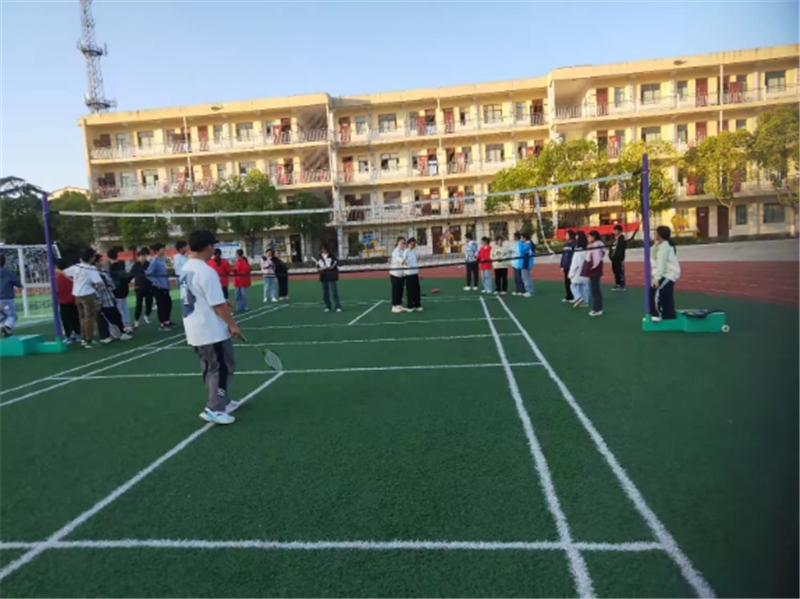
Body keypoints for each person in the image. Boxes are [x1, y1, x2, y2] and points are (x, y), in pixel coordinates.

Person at [179, 230, 244, 425]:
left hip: (195, 329)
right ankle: (214, 407)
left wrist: (222, 301)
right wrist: (232, 325)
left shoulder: (186, 268)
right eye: (213, 245)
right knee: (221, 368)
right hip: (210, 330)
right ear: (208, 246)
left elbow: (198, 295)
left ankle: (222, 401)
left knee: (210, 368)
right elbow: (217, 306)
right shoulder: (206, 271)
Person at [63, 248, 104, 349]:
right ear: (91, 257)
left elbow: (64, 272)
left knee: (82, 317)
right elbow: (100, 283)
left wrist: (75, 282)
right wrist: (92, 284)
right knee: (89, 317)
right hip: (87, 295)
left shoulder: (76, 267)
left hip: (77, 295)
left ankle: (83, 338)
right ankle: (88, 339)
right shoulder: (91, 269)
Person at [94, 255, 132, 343]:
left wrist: (110, 287)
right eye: (101, 260)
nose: (103, 262)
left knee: (116, 316)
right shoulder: (94, 274)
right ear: (96, 263)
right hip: (102, 300)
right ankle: (105, 336)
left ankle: (121, 332)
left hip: (109, 298)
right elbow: (96, 288)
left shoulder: (104, 272)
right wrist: (98, 300)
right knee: (103, 319)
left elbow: (111, 284)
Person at [650, 225, 681, 321]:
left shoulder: (664, 247)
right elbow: (653, 255)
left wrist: (656, 279)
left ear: (659, 235)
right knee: (667, 295)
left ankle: (656, 314)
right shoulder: (661, 245)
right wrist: (655, 244)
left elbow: (661, 264)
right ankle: (669, 315)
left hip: (669, 274)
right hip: (666, 273)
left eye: (655, 233)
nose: (654, 234)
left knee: (657, 290)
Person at [146, 243, 175, 331]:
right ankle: (162, 323)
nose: (163, 251)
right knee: (161, 305)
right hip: (158, 287)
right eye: (162, 249)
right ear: (157, 251)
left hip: (165, 285)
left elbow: (170, 271)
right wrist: (156, 282)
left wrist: (169, 282)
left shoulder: (165, 259)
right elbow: (148, 274)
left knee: (168, 304)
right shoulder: (154, 261)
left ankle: (167, 321)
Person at [107, 249, 133, 332]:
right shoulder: (122, 264)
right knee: (124, 308)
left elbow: (113, 280)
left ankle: (124, 325)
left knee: (120, 309)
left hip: (117, 290)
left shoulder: (111, 268)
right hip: (124, 288)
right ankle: (127, 324)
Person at [55, 258, 81, 343]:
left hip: (63, 302)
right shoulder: (70, 276)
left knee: (66, 320)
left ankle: (68, 336)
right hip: (73, 300)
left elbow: (56, 291)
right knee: (75, 318)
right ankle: (78, 334)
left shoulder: (57, 277)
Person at [0, 254, 23, 338]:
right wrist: (20, 286)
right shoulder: (8, 273)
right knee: (12, 316)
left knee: (2, 317)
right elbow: (18, 283)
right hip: (7, 299)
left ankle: (5, 330)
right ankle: (7, 327)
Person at [130, 248, 153, 326]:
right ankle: (136, 320)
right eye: (141, 256)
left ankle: (147, 315)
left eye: (144, 256)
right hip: (139, 287)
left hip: (148, 287)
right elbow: (131, 275)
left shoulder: (149, 264)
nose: (143, 257)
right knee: (139, 304)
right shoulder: (136, 266)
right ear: (138, 257)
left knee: (149, 302)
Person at [585, 230, 605, 317]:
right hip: (594, 269)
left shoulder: (596, 246)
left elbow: (596, 259)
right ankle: (597, 308)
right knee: (594, 289)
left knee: (595, 290)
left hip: (595, 269)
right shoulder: (592, 246)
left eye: (589, 236)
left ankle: (597, 309)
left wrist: (592, 268)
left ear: (594, 237)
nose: (588, 238)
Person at [568, 231, 590, 309]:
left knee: (573, 286)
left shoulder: (577, 252)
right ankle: (585, 301)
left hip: (578, 272)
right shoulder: (587, 251)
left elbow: (574, 265)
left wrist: (570, 274)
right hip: (586, 272)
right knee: (585, 287)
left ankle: (578, 297)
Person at [316, 244, 342, 312]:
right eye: (322, 249)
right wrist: (320, 269)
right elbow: (318, 266)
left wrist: (329, 267)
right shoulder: (319, 256)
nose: (323, 250)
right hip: (323, 276)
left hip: (331, 275)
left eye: (324, 249)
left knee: (334, 291)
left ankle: (337, 306)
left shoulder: (331, 256)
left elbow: (335, 264)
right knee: (325, 292)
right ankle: (327, 306)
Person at [389, 237, 407, 313]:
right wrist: (404, 261)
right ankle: (394, 306)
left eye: (404, 243)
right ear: (397, 243)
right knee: (396, 290)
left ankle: (399, 305)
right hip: (395, 274)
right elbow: (398, 258)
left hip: (401, 274)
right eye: (401, 243)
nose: (403, 244)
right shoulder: (395, 251)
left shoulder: (404, 251)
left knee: (400, 290)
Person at [404, 237, 422, 312]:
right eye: (412, 244)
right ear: (408, 244)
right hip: (409, 274)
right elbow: (403, 260)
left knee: (417, 290)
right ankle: (410, 306)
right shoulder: (406, 251)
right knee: (410, 291)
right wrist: (406, 263)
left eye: (414, 244)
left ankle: (417, 305)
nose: (413, 245)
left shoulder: (413, 252)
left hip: (415, 273)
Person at [560, 230, 576, 303]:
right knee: (567, 282)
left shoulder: (574, 244)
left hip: (572, 265)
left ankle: (575, 296)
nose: (565, 236)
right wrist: (562, 265)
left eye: (566, 235)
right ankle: (568, 296)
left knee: (573, 282)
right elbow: (563, 255)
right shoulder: (565, 244)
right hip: (566, 266)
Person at [609, 224, 627, 291]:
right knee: (615, 271)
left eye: (616, 230)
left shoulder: (622, 239)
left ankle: (622, 285)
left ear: (619, 231)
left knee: (620, 271)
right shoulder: (613, 239)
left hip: (619, 258)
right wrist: (610, 255)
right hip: (613, 258)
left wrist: (621, 257)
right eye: (614, 230)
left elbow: (622, 249)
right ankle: (617, 284)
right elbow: (611, 247)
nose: (614, 231)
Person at [519, 233, 534, 297]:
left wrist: (520, 243)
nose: (521, 239)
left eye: (522, 238)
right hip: (525, 262)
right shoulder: (527, 244)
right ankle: (530, 291)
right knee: (527, 277)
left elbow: (521, 250)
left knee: (525, 277)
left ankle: (529, 291)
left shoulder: (528, 245)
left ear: (525, 238)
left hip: (526, 262)